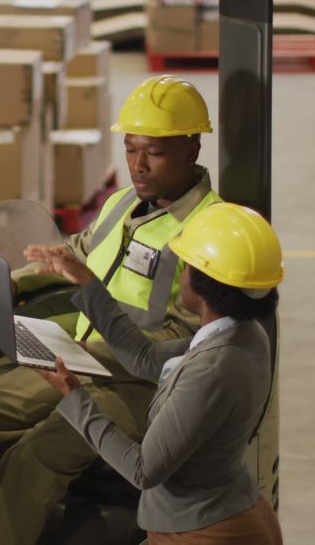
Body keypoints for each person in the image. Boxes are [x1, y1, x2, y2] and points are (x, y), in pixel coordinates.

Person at [0, 76, 222, 545]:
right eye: (130, 150)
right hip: (81, 359)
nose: (138, 166)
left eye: (154, 152)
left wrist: (88, 351)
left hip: (143, 387)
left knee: (31, 460)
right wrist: (10, 282)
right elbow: (78, 252)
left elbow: (187, 347)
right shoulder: (124, 202)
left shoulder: (207, 231)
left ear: (192, 150)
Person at [28, 202, 284, 545]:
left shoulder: (213, 371)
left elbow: (142, 468)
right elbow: (143, 357)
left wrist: (74, 397)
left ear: (205, 283)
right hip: (225, 516)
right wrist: (86, 281)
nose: (182, 268)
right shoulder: (244, 332)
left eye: (187, 263)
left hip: (204, 533)